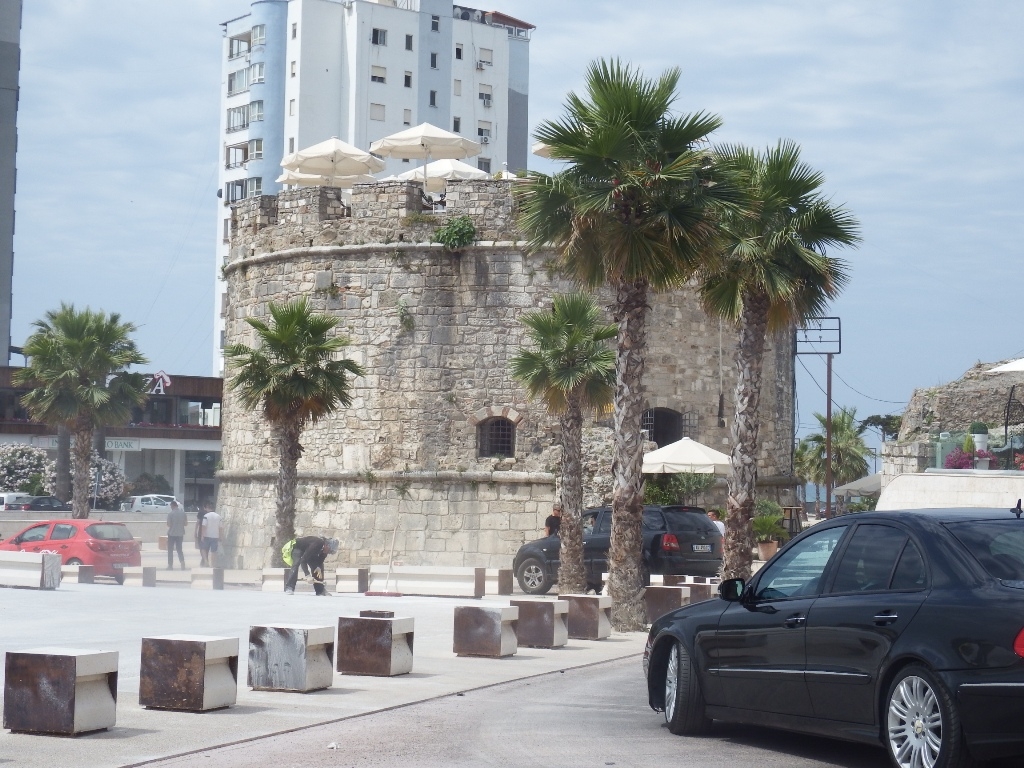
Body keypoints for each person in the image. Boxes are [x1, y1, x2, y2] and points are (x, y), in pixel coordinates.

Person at [165, 500, 187, 570]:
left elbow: (169, 524)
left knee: (170, 550)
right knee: (179, 549)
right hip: (180, 533)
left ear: (172, 506)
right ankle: (182, 562)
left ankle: (170, 565)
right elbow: (186, 523)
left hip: (172, 533)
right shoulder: (183, 513)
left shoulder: (170, 514)